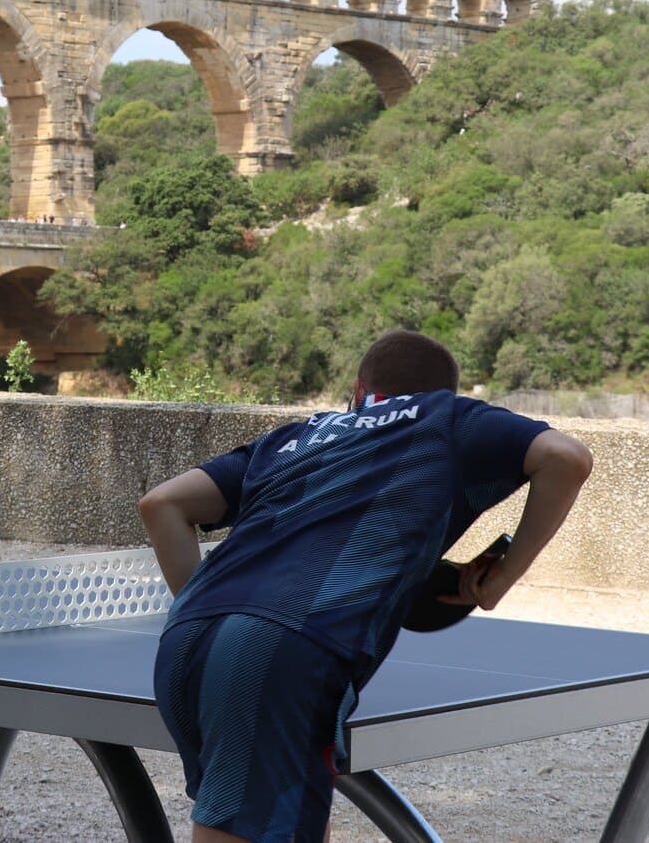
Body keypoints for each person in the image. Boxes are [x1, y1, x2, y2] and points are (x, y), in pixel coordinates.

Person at [140, 330, 592, 843]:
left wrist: (214, 614)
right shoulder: (447, 417)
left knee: (280, 820)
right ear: (443, 388)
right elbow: (566, 458)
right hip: (280, 652)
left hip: (185, 642)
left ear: (359, 388)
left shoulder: (291, 438)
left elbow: (162, 505)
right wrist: (503, 577)